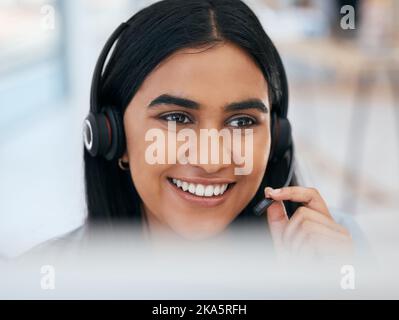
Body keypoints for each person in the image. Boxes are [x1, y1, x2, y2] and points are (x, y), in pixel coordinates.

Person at [50, 0, 361, 259]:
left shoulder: (337, 253)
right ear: (112, 135)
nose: (211, 161)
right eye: (176, 118)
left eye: (242, 121)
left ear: (276, 138)